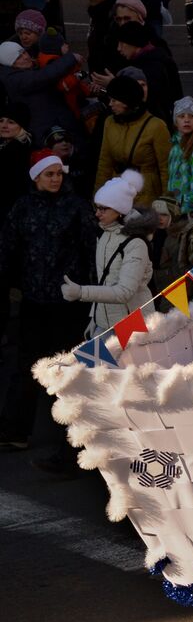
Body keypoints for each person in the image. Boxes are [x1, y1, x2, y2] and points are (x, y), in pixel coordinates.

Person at [0, 152, 95, 460]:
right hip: (33, 299)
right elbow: (8, 247)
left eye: (58, 173)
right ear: (36, 177)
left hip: (67, 303)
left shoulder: (76, 206)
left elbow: (89, 248)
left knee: (66, 368)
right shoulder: (22, 207)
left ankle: (70, 439)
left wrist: (88, 291)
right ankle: (16, 430)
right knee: (26, 366)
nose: (56, 179)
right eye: (49, 174)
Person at [62, 169, 155, 338]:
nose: (97, 213)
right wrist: (95, 318)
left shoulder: (136, 243)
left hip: (132, 325)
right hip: (105, 322)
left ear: (120, 210)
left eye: (103, 209)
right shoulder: (105, 235)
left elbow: (124, 292)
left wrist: (81, 292)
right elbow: (104, 281)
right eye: (97, 208)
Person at [96, 75, 170, 206]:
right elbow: (105, 162)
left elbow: (166, 168)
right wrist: (98, 197)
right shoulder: (110, 122)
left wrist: (167, 203)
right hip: (117, 192)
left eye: (114, 100)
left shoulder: (156, 126)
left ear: (127, 101)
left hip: (147, 196)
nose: (110, 104)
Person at [166, 96, 193, 220]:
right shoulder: (175, 147)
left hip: (192, 212)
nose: (187, 120)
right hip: (175, 208)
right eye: (182, 116)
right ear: (175, 121)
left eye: (191, 116)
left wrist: (188, 207)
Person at [80, 0, 123, 77]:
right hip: (98, 74)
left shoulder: (116, 15)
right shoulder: (97, 12)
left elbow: (115, 51)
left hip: (109, 76)